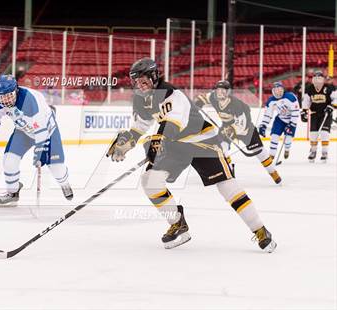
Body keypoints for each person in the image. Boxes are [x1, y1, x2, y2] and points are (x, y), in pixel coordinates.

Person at [107, 58, 277, 253]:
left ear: (154, 77)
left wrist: (158, 141)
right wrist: (127, 141)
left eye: (143, 80)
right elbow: (141, 126)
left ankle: (260, 229)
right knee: (150, 181)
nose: (140, 85)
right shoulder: (140, 99)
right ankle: (178, 224)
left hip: (202, 141)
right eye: (136, 82)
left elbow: (172, 123)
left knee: (227, 186)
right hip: (176, 145)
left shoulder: (171, 93)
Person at [0, 75, 73, 207]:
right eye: (1, 96)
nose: (5, 100)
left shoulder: (30, 99)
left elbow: (41, 128)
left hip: (48, 132)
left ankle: (64, 183)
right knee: (9, 161)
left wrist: (41, 149)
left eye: (8, 96)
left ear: (16, 90)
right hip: (23, 132)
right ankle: (12, 193)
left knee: (56, 168)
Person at [195, 80, 282, 185]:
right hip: (226, 126)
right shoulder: (213, 97)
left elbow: (242, 122)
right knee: (222, 148)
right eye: (218, 90)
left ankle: (273, 172)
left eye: (223, 91)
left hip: (246, 129)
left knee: (260, 152)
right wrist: (197, 103)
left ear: (228, 92)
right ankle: (229, 172)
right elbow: (203, 98)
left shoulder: (235, 104)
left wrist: (232, 129)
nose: (220, 93)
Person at [301, 71, 337, 162]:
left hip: (326, 114)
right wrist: (304, 111)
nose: (317, 81)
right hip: (314, 113)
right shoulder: (309, 88)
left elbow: (336, 98)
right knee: (313, 134)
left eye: (319, 78)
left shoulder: (329, 88)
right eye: (315, 78)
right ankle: (313, 151)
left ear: (323, 79)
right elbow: (306, 100)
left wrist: (332, 106)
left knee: (324, 133)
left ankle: (324, 152)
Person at [258, 82, 300, 160]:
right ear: (273, 91)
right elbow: (268, 114)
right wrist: (263, 125)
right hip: (280, 120)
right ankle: (271, 155)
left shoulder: (290, 97)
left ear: (283, 90)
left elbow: (296, 111)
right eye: (276, 90)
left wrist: (292, 124)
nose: (278, 91)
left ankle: (287, 149)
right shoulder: (271, 101)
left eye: (280, 89)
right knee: (274, 136)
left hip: (291, 119)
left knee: (288, 140)